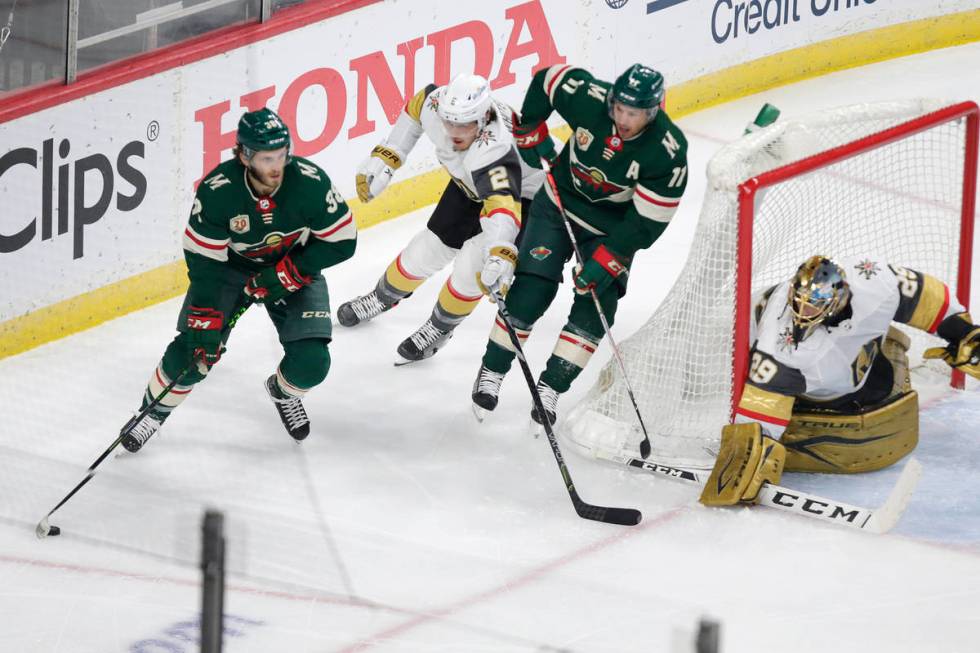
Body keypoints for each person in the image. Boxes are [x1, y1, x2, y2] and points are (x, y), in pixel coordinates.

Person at [120, 107, 357, 451]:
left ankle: (282, 391)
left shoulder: (309, 182)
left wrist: (293, 271)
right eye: (266, 158)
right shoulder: (219, 191)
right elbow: (204, 262)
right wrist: (205, 315)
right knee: (194, 353)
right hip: (229, 271)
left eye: (281, 155)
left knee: (312, 364)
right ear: (244, 156)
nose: (276, 167)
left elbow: (343, 241)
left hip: (293, 264)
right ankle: (151, 414)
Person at [469, 63, 689, 424]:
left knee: (597, 303)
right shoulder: (589, 97)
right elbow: (546, 78)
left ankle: (551, 387)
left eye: (632, 113)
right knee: (531, 289)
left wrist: (610, 257)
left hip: (612, 229)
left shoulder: (667, 152)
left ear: (652, 111)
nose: (622, 118)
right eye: (619, 108)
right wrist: (530, 128)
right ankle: (492, 370)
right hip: (557, 204)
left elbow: (648, 220)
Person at [699, 255, 980, 506]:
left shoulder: (872, 281)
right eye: (798, 301)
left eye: (812, 306)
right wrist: (749, 455)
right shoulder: (778, 347)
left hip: (854, 365)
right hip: (796, 380)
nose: (802, 312)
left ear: (836, 299)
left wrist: (962, 331)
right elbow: (763, 403)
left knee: (876, 377)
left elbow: (920, 294)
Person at [336, 73, 545, 364]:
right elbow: (417, 104)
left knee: (472, 267)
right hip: (470, 185)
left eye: (464, 125)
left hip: (522, 198)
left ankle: (440, 328)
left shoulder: (495, 148)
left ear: (484, 117)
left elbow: (502, 207)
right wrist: (389, 155)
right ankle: (382, 297)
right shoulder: (438, 105)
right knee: (425, 250)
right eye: (450, 122)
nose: (454, 132)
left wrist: (501, 252)